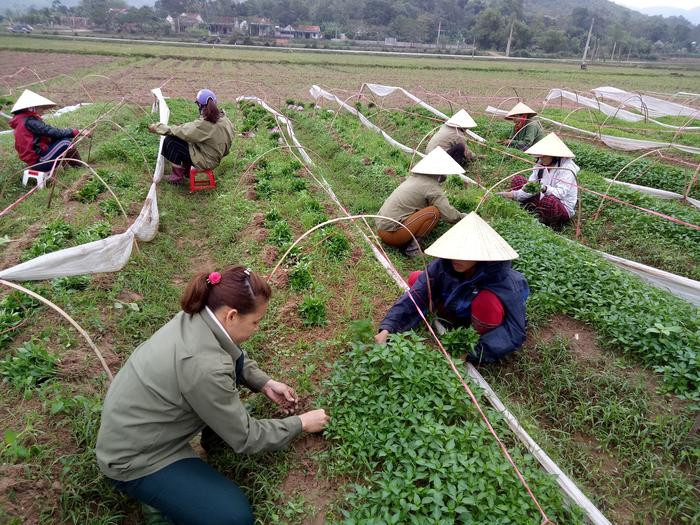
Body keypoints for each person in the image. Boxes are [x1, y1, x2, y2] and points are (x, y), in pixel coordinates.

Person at [96, 266, 330, 525]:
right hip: (137, 457)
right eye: (255, 321)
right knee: (232, 517)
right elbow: (247, 438)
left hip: (144, 424)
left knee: (231, 386)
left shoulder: (198, 317)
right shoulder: (204, 365)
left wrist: (265, 383)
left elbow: (234, 357)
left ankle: (212, 442)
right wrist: (301, 423)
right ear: (231, 316)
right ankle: (158, 506)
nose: (257, 329)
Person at [375, 212, 529, 364]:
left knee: (486, 301)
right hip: (459, 302)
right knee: (417, 278)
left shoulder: (503, 280)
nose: (456, 258)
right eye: (454, 252)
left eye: (464, 254)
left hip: (482, 312)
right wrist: (388, 328)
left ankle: (477, 333)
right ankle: (449, 316)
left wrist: (471, 351)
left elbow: (514, 330)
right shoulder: (445, 264)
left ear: (481, 254)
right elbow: (417, 294)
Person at [376, 146, 466, 257]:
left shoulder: (414, 178)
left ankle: (407, 242)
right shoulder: (431, 187)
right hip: (391, 234)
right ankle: (412, 249)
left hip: (381, 227)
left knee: (429, 207)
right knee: (433, 212)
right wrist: (464, 217)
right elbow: (450, 216)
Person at [148, 88, 234, 184]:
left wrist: (158, 128)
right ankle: (186, 172)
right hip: (215, 156)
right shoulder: (224, 119)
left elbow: (181, 131)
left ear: (199, 105)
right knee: (187, 141)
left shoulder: (205, 124)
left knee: (171, 141)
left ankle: (176, 178)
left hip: (207, 161)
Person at [498, 133, 579, 229]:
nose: (540, 159)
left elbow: (561, 193)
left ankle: (549, 222)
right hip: (541, 198)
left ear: (554, 155)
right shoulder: (541, 164)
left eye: (543, 156)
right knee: (518, 180)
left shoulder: (567, 168)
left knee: (548, 200)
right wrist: (513, 194)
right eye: (539, 156)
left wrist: (543, 188)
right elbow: (530, 186)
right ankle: (536, 210)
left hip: (561, 206)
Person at [9, 89, 86, 172]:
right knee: (66, 143)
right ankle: (80, 169)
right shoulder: (29, 122)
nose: (42, 110)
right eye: (40, 108)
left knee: (60, 140)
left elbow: (49, 135)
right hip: (39, 162)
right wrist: (75, 132)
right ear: (32, 108)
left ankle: (70, 168)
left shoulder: (22, 120)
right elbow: (50, 131)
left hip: (34, 160)